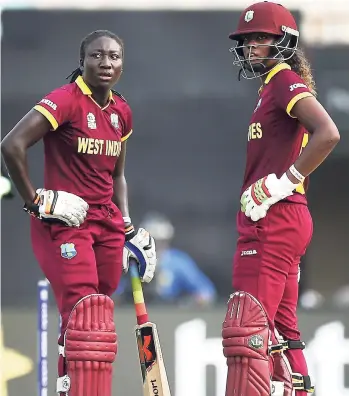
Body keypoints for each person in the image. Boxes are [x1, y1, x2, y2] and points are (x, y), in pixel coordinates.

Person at [1, 30, 157, 396]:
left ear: (123, 64)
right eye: (97, 56)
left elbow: (117, 175)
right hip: (66, 221)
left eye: (114, 56)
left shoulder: (122, 111)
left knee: (97, 316)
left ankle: (71, 386)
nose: (106, 63)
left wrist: (128, 226)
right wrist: (36, 200)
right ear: (82, 60)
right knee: (83, 313)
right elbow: (11, 146)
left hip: (107, 224)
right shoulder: (66, 100)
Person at [221, 3, 340, 396]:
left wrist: (283, 182)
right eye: (248, 39)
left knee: (249, 328)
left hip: (275, 217)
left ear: (284, 43)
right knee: (282, 329)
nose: (252, 46)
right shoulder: (270, 87)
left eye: (261, 39)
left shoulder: (284, 81)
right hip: (283, 219)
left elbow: (328, 133)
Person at [116, 212, 217, 306]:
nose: (157, 246)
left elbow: (206, 292)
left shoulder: (178, 262)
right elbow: (114, 294)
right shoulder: (130, 261)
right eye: (152, 241)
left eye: (162, 241)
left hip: (167, 313)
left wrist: (187, 303)